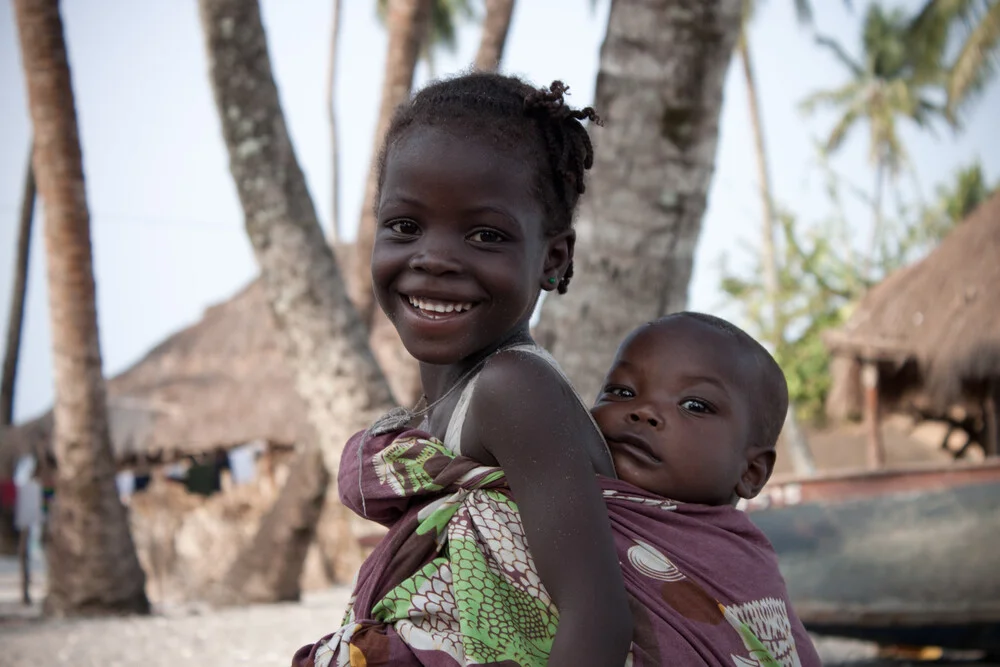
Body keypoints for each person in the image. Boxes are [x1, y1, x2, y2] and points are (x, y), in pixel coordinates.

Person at [294, 71, 632, 667]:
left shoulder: (514, 391)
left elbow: (597, 621)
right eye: (405, 226)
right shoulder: (454, 403)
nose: (433, 259)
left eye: (485, 234)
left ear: (553, 258)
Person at [295, 310, 822, 666]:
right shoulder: (553, 499)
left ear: (752, 472)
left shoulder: (736, 562)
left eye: (695, 405)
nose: (644, 411)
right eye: (621, 390)